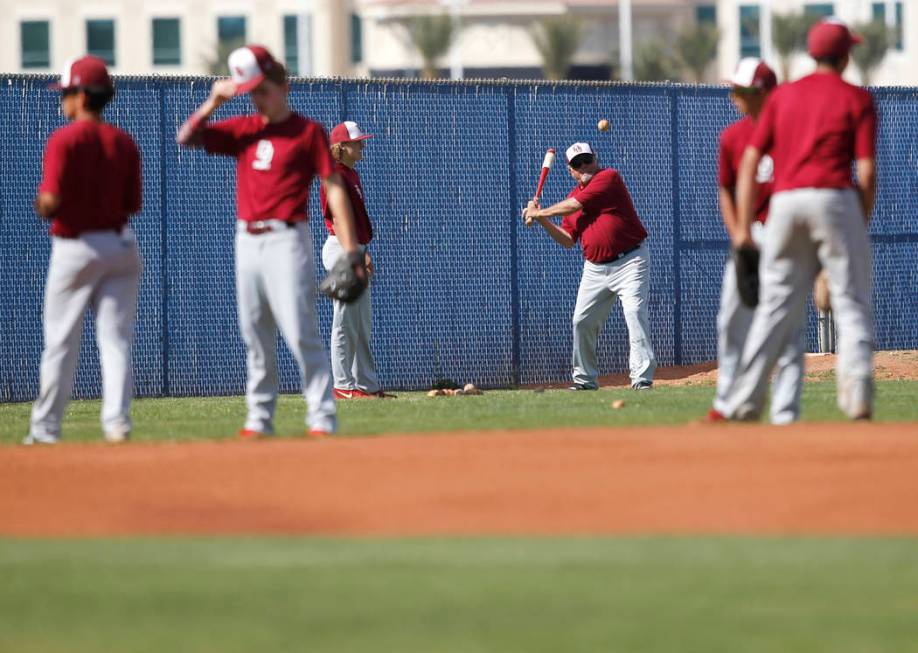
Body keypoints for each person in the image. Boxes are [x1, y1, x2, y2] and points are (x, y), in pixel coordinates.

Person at [176, 44, 364, 438]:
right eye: (252, 92)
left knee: (300, 329)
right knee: (254, 330)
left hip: (287, 238)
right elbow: (186, 137)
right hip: (247, 239)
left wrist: (350, 251)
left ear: (283, 85)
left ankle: (322, 417)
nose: (258, 99)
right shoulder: (244, 129)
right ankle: (259, 419)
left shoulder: (307, 132)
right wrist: (213, 101)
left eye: (263, 90)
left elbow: (333, 189)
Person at [725, 18, 877, 421]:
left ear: (812, 55)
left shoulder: (783, 97)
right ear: (845, 57)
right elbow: (866, 174)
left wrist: (742, 228)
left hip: (787, 203)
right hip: (835, 197)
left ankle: (745, 399)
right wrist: (854, 228)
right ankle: (857, 396)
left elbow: (752, 160)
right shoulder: (857, 99)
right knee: (851, 302)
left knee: (774, 306)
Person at [26, 56, 143, 444]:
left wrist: (41, 204)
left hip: (77, 246)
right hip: (121, 245)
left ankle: (45, 429)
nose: (63, 101)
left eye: (66, 93)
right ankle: (117, 423)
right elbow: (132, 204)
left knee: (61, 340)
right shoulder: (125, 142)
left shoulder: (65, 138)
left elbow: (51, 199)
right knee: (115, 340)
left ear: (80, 95)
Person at [710, 58, 805, 425]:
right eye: (733, 88)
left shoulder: (793, 134)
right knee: (731, 318)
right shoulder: (732, 137)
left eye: (741, 90)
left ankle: (784, 413)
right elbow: (726, 190)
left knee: (789, 326)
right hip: (750, 237)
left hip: (785, 235)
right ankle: (726, 402)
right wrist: (738, 236)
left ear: (764, 93)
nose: (734, 96)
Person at [522, 143, 656, 391]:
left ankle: (642, 379)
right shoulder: (573, 198)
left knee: (634, 313)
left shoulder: (608, 178)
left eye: (587, 160)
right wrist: (542, 220)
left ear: (595, 158)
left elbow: (574, 205)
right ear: (570, 169)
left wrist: (539, 213)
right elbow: (567, 240)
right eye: (577, 163)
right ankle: (584, 381)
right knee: (581, 321)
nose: (583, 166)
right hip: (595, 268)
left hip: (631, 261)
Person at [320, 121, 390, 399]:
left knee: (361, 322)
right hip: (341, 248)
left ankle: (366, 386)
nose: (363, 144)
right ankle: (343, 385)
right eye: (358, 141)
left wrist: (363, 251)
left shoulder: (352, 174)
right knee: (344, 320)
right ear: (341, 147)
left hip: (354, 247)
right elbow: (337, 219)